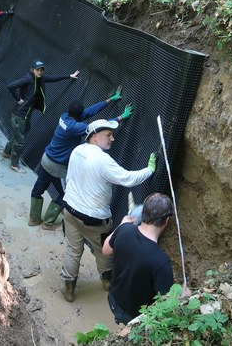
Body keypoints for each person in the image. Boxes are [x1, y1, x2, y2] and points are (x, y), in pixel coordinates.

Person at [59, 118, 157, 303]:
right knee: (103, 251)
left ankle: (68, 288)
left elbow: (70, 177)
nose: (112, 139)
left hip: (70, 211)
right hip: (94, 220)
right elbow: (127, 178)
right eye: (108, 135)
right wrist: (149, 170)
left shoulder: (77, 150)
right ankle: (107, 283)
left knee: (73, 251)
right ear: (95, 137)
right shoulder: (102, 160)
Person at [28, 89, 134, 230]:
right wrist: (121, 117)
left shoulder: (65, 116)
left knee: (38, 189)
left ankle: (33, 220)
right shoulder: (75, 127)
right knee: (66, 195)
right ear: (78, 115)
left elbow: (89, 111)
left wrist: (110, 100)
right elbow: (99, 128)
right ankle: (48, 223)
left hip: (46, 159)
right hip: (57, 167)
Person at [102, 193, 174, 325]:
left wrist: (121, 225)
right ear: (166, 221)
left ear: (143, 212)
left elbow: (105, 250)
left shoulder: (124, 231)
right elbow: (167, 302)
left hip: (113, 299)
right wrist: (182, 295)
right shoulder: (161, 261)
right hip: (134, 317)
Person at [3, 61, 79, 173]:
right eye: (37, 69)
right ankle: (14, 164)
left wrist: (69, 76)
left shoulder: (40, 78)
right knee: (20, 140)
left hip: (27, 114)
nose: (40, 72)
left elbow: (53, 78)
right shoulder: (28, 78)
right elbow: (11, 86)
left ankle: (7, 152)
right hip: (20, 114)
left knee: (21, 134)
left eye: (41, 69)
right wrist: (18, 99)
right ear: (33, 69)